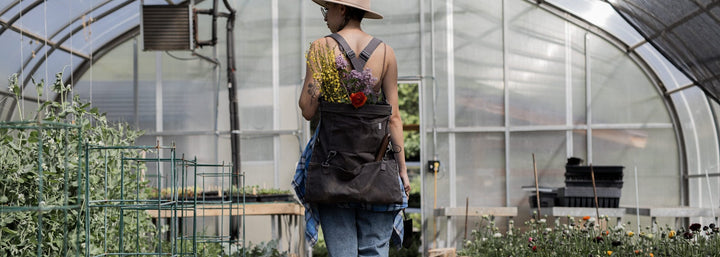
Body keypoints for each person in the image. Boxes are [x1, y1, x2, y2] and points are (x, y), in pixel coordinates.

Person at [295, 0, 411, 256]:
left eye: (328, 10)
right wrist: (402, 171)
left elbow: (307, 110)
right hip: (377, 168)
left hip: (332, 168)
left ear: (343, 10)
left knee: (343, 252)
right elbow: (394, 118)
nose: (325, 17)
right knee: (374, 250)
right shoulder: (386, 52)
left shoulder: (320, 48)